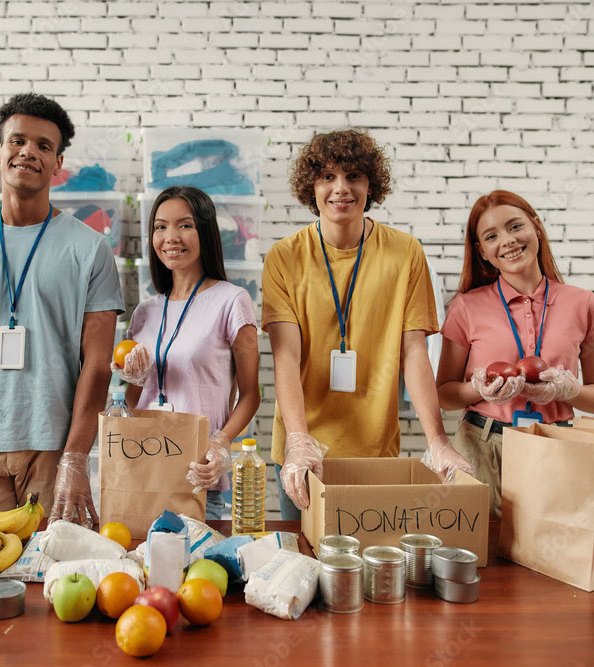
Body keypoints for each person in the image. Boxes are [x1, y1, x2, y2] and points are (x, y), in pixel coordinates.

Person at [0, 93, 124, 524]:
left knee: (51, 584)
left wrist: (75, 459)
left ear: (58, 165)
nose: (28, 152)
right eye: (17, 141)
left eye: (44, 146)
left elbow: (98, 363)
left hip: (55, 449)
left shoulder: (91, 249)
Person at [261, 128, 473, 520]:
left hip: (374, 451)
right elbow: (286, 357)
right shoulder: (284, 256)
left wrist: (438, 441)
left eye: (353, 176)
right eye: (327, 176)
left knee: (369, 570)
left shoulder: (405, 253)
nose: (340, 188)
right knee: (303, 567)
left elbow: (414, 352)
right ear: (312, 186)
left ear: (370, 184)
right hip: (303, 451)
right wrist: (297, 442)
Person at [436, 190, 594, 519]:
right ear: (482, 251)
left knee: (550, 558)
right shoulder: (467, 306)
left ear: (536, 227)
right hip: (481, 446)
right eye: (491, 236)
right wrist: (476, 390)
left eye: (514, 226)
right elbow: (443, 393)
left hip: (557, 445)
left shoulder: (583, 303)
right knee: (480, 557)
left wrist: (571, 391)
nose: (507, 241)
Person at [111, 185, 260, 519]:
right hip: (145, 473)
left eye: (185, 225)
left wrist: (220, 444)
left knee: (201, 571)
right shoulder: (145, 312)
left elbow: (251, 394)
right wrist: (130, 380)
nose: (170, 237)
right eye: (160, 227)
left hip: (199, 480)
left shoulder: (232, 300)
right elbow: (135, 402)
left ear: (204, 231)